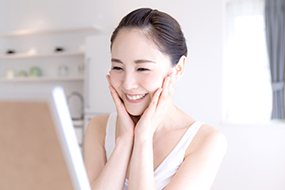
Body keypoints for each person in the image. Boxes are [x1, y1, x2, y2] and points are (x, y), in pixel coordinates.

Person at [83, 8, 227, 190]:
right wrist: (125, 140)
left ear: (179, 69)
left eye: (142, 68)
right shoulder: (98, 128)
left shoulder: (205, 141)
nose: (127, 84)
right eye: (118, 67)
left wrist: (143, 138)